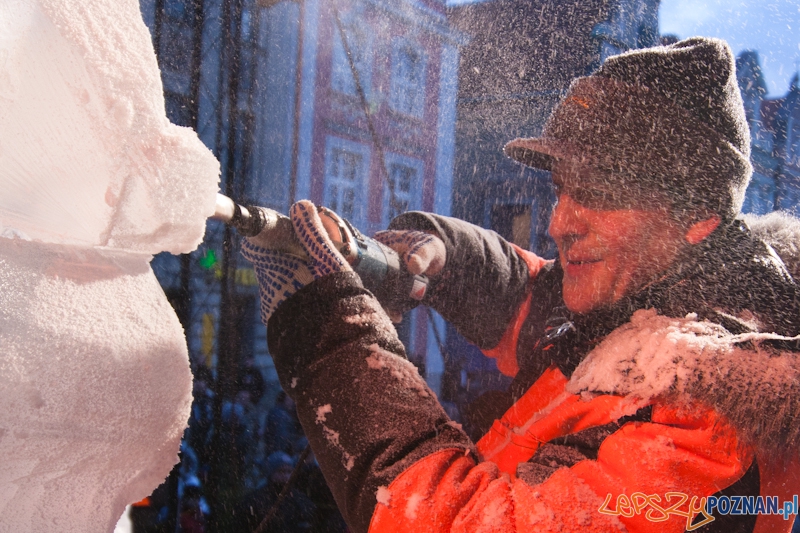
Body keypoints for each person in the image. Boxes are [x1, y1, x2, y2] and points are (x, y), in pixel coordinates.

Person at [242, 38, 800, 533]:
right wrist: (439, 258)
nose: (559, 222)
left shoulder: (708, 419)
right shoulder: (642, 310)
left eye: (598, 191)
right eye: (562, 187)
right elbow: (531, 295)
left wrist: (335, 345)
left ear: (696, 213)